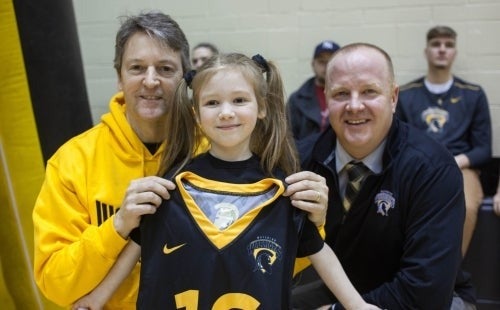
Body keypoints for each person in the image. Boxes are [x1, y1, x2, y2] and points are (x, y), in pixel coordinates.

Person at [71, 53, 380, 310]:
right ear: (195, 114)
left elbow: (318, 249)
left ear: (261, 107)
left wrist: (357, 305)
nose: (226, 113)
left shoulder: (281, 192)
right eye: (213, 103)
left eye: (239, 100)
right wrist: (96, 300)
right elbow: (138, 246)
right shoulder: (171, 186)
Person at [291, 43, 475, 309]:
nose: (355, 106)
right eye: (341, 93)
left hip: (437, 298)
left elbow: (426, 292)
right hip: (348, 289)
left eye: (369, 92)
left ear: (393, 97)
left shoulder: (433, 168)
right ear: (327, 98)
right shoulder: (302, 160)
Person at [396, 25, 492, 256]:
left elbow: (484, 149)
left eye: (448, 45)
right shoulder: (407, 94)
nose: (442, 50)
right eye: (436, 44)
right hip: (417, 166)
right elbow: (398, 139)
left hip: (462, 166)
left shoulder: (473, 93)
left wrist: (454, 161)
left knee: (466, 207)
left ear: (455, 53)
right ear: (426, 51)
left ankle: (450, 276)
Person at [287, 40, 340, 141]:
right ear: (313, 64)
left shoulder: (352, 98)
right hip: (305, 155)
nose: (327, 66)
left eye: (332, 61)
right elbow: (288, 138)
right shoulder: (296, 99)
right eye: (321, 62)